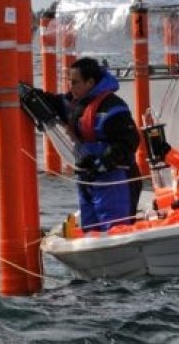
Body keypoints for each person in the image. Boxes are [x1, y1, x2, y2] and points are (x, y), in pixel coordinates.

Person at [56, 57, 142, 232]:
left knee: (116, 231)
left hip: (115, 179)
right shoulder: (74, 103)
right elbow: (56, 104)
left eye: (75, 83)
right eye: (69, 82)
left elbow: (129, 141)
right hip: (88, 178)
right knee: (91, 230)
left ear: (90, 82)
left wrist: (103, 162)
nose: (71, 87)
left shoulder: (113, 107)